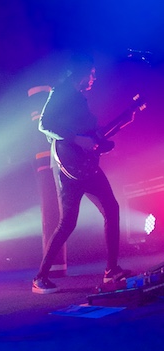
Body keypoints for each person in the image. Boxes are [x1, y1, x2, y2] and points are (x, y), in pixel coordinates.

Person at [32, 55, 132, 294]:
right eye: (92, 73)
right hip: (70, 169)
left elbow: (91, 135)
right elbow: (44, 124)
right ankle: (40, 278)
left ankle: (111, 270)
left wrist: (115, 131)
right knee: (67, 224)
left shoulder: (78, 99)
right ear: (80, 72)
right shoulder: (61, 92)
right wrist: (77, 139)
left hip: (87, 167)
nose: (94, 78)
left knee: (111, 208)